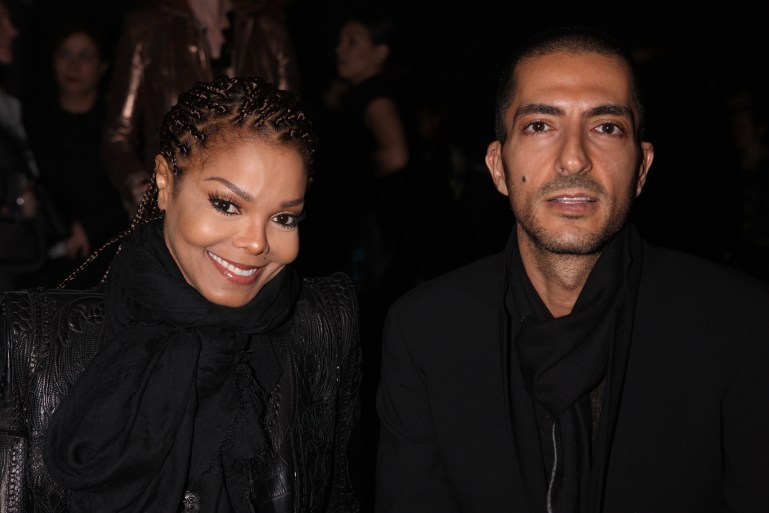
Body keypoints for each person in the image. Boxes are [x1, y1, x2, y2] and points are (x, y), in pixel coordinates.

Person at [375, 25, 769, 513]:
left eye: (606, 127)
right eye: (540, 125)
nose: (574, 158)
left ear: (641, 168)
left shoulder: (740, 325)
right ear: (497, 167)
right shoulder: (425, 332)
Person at [0, 75, 360, 512]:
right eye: (227, 205)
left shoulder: (322, 325)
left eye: (284, 218)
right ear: (165, 183)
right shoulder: (30, 339)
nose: (256, 243)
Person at [102, 0, 302, 218]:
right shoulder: (146, 28)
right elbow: (118, 135)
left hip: (255, 205)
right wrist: (136, 181)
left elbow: (293, 132)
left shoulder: (269, 30)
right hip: (174, 208)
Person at [23, 20, 129, 287]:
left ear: (102, 66)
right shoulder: (29, 119)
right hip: (40, 256)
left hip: (109, 256)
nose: (73, 66)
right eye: (65, 54)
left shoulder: (119, 126)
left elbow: (131, 191)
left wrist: (93, 226)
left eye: (85, 56)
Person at [1, 0, 78, 292]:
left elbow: (34, 182)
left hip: (22, 258)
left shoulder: (12, 105)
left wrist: (60, 234)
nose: (12, 32)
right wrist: (13, 194)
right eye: (2, 21)